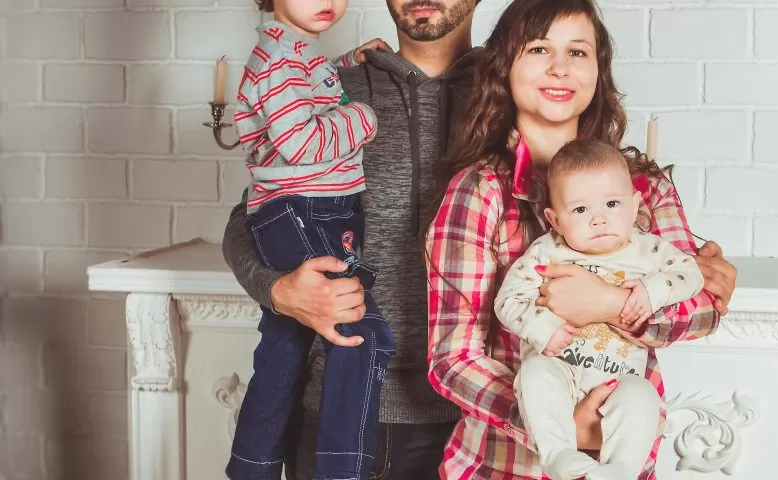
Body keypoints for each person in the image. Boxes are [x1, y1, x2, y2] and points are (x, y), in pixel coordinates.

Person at [423, 0, 739, 478]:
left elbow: (701, 310)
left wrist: (610, 304)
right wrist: (552, 423)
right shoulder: (480, 191)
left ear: (598, 69)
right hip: (504, 466)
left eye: (578, 52)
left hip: (623, 450)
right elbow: (453, 358)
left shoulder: (643, 187)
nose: (560, 68)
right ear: (506, 67)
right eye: (538, 49)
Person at [220, 0, 485, 477]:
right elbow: (250, 217)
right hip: (336, 416)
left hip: (481, 416)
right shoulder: (330, 87)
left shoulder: (516, 89)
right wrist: (278, 291)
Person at [224, 0, 395, 476]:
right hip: (303, 211)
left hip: (304, 211)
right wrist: (362, 117)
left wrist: (347, 65)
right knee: (361, 333)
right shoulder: (280, 61)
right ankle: (342, 469)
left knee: (283, 349)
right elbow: (299, 142)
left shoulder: (295, 54)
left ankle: (251, 466)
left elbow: (307, 95)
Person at [495, 138, 706, 480]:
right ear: (556, 219)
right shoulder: (546, 253)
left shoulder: (648, 250)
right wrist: (543, 328)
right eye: (580, 210)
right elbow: (507, 300)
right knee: (534, 376)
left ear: (635, 205)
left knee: (643, 397)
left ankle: (620, 469)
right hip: (560, 370)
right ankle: (558, 454)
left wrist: (651, 291)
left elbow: (691, 274)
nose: (599, 219)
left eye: (612, 203)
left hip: (618, 379)